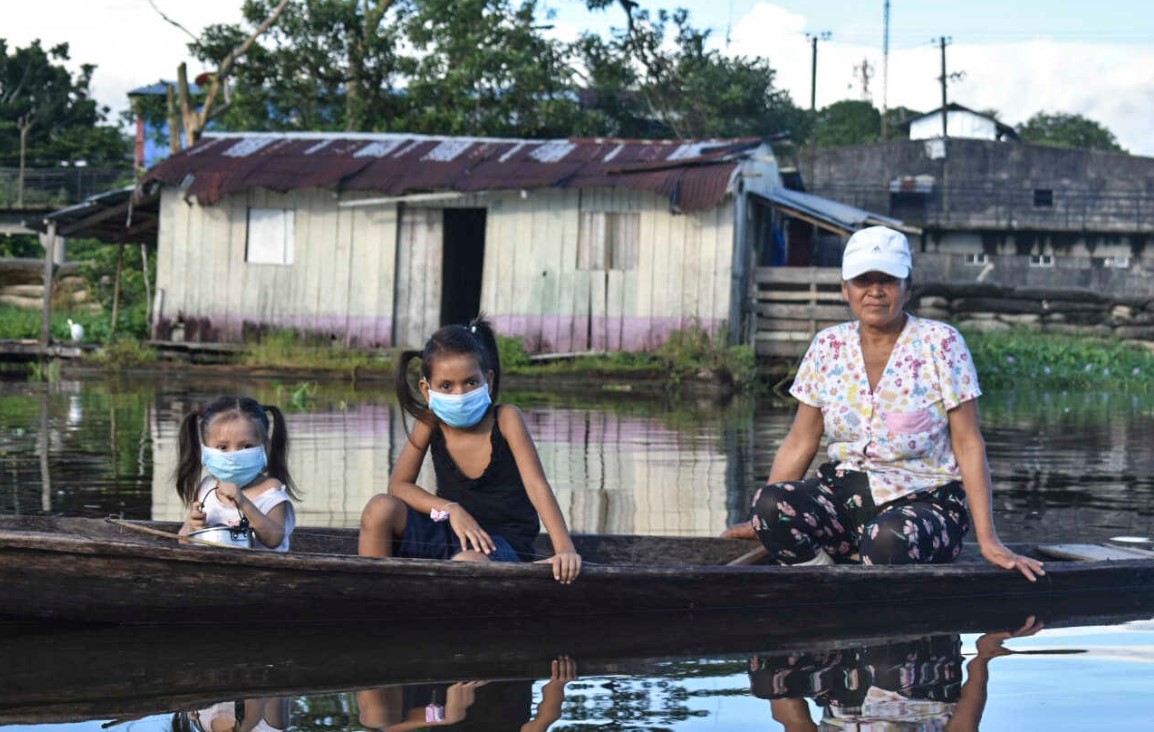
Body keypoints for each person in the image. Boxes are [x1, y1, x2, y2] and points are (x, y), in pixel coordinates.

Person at [725, 226, 1044, 581]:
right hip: (845, 502)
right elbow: (801, 440)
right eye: (863, 280)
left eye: (888, 280)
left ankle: (860, 579)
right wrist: (762, 522)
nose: (875, 291)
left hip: (925, 506)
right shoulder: (827, 347)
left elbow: (968, 444)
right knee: (769, 503)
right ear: (846, 289)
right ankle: (823, 581)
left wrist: (989, 540)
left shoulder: (940, 343)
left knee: (886, 540)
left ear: (908, 287)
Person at [358, 316, 582, 583]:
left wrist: (565, 549)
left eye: (470, 383)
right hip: (450, 531)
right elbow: (399, 486)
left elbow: (537, 486)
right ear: (427, 391)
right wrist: (450, 509)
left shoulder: (506, 419)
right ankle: (374, 598)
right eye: (446, 386)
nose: (459, 394)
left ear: (487, 379)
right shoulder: (430, 422)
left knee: (466, 563)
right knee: (379, 508)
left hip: (500, 544)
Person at [749, 618, 1044, 732]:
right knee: (887, 669)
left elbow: (795, 723)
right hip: (915, 684)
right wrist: (983, 655)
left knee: (767, 681)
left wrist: (780, 689)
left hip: (852, 688)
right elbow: (965, 725)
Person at [175, 396, 298, 552]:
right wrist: (193, 526)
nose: (233, 456)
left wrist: (242, 501)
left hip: (262, 574)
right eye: (222, 447)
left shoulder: (271, 490)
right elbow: (183, 539)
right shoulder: (207, 487)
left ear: (265, 447)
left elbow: (273, 539)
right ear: (205, 451)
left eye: (246, 446)